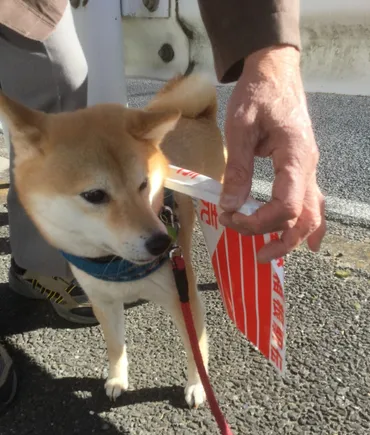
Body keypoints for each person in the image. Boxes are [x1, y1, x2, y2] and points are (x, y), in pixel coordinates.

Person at [0, 0, 325, 409]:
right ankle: (117, 362)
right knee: (104, 301)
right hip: (92, 257)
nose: (145, 225)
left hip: (197, 150)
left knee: (210, 239)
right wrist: (117, 367)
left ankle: (196, 367)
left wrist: (270, 56)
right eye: (96, 197)